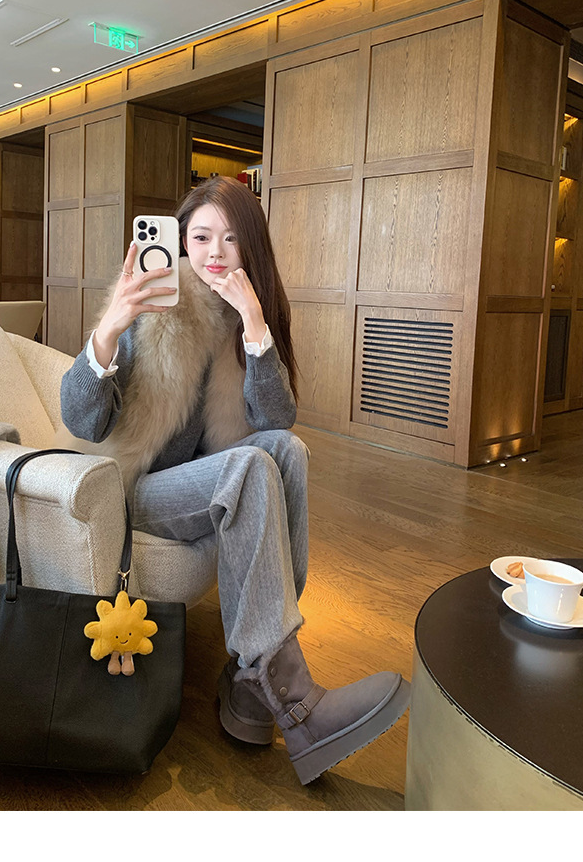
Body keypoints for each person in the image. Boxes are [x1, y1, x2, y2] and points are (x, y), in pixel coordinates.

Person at [59, 175, 409, 784]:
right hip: (135, 489)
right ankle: (294, 699)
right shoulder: (152, 305)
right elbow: (81, 420)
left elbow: (275, 422)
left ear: (251, 246)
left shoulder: (247, 312)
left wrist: (253, 323)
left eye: (230, 238)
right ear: (181, 242)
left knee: (285, 450)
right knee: (249, 465)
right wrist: (110, 328)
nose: (215, 253)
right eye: (200, 237)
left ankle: (252, 689)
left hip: (208, 482)